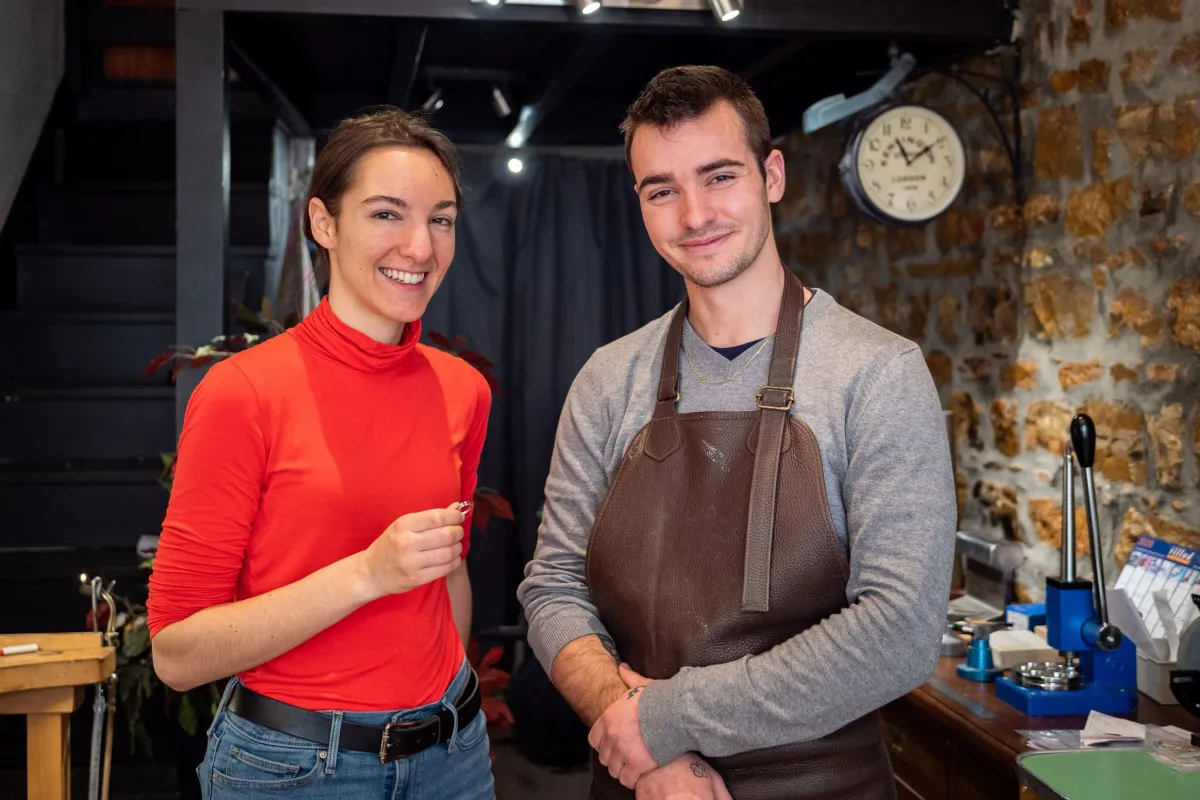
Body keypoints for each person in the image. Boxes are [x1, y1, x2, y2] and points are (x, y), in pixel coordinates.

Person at [517, 65, 956, 800]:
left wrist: (667, 719)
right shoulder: (607, 378)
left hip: (825, 784)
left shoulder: (878, 373)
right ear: (640, 204)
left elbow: (900, 632)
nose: (694, 215)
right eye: (662, 190)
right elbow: (552, 586)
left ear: (772, 175)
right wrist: (636, 738)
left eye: (719, 176)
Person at [147, 107, 495, 800]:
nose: (421, 248)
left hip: (452, 752)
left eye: (442, 219)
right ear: (323, 223)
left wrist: (440, 684)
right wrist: (367, 573)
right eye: (387, 214)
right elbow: (176, 654)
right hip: (298, 767)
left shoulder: (463, 390)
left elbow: (445, 572)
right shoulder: (242, 393)